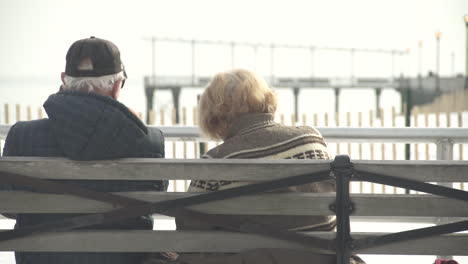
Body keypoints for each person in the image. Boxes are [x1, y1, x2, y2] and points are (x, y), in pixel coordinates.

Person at [1, 36, 167, 264]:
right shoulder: (149, 142)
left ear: (64, 80)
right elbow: (153, 202)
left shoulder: (22, 136)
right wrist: (135, 127)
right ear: (118, 85)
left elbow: (9, 208)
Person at [174, 69, 364, 264]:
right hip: (322, 259)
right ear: (265, 99)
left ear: (214, 115)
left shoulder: (216, 161)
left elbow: (190, 233)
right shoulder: (311, 139)